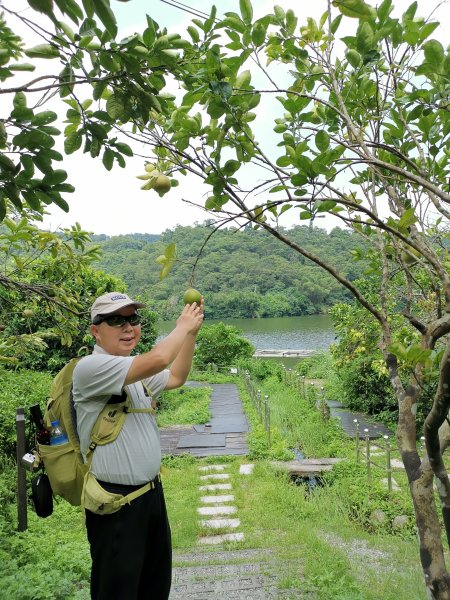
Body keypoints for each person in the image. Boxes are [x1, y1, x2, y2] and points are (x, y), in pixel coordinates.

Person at [72, 291, 204, 600]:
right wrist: (182, 327)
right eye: (116, 320)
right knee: (117, 592)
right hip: (116, 505)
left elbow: (176, 377)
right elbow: (159, 358)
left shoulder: (135, 371)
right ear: (95, 330)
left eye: (133, 319)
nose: (128, 327)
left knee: (154, 587)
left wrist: (191, 335)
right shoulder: (90, 369)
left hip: (151, 498)